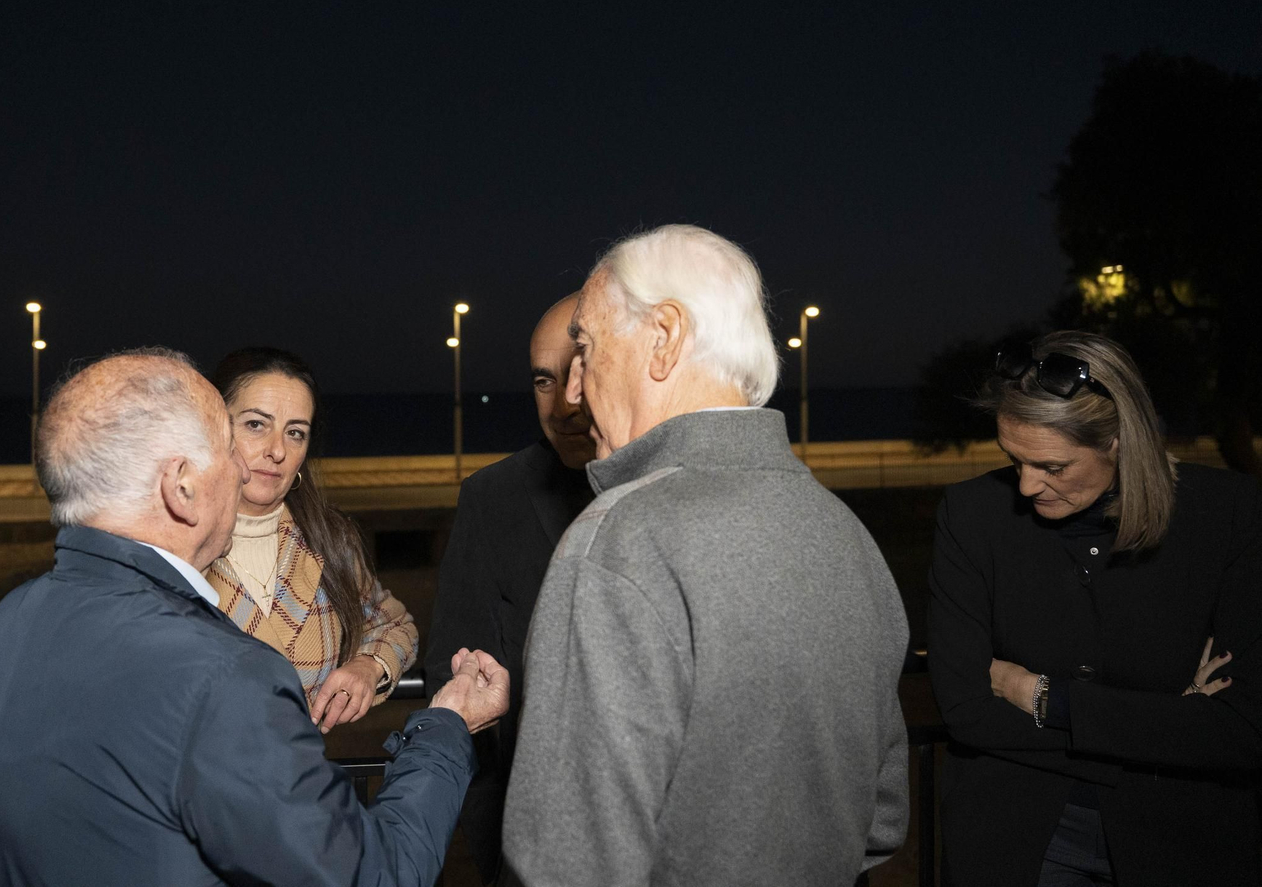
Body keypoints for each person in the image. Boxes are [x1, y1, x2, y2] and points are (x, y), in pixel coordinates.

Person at [0, 348, 509, 887]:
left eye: (296, 433)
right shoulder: (225, 676)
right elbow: (375, 874)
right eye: (232, 442)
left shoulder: (7, 623)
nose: (258, 460)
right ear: (182, 485)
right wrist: (447, 726)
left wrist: (370, 666)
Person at [503, 224, 910, 886]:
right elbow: (883, 819)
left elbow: (566, 861)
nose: (574, 392)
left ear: (663, 338)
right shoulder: (846, 535)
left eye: (589, 347)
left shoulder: (620, 538)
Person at [927, 330, 1262, 886]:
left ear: (1118, 443)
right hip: (1019, 840)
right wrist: (1171, 725)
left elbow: (1242, 730)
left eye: (1053, 467)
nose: (1028, 485)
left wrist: (1039, 695)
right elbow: (965, 710)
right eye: (1014, 460)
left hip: (1186, 841)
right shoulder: (972, 514)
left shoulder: (1229, 515)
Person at [426, 292, 596, 885]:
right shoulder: (490, 498)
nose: (562, 404)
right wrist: (504, 854)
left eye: (580, 372)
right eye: (542, 381)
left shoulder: (672, 498)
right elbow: (455, 667)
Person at [203, 347, 418, 734]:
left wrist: (369, 666)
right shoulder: (172, 545)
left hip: (304, 788)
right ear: (213, 426)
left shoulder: (327, 540)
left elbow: (395, 625)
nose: (277, 451)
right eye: (256, 425)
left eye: (295, 433)